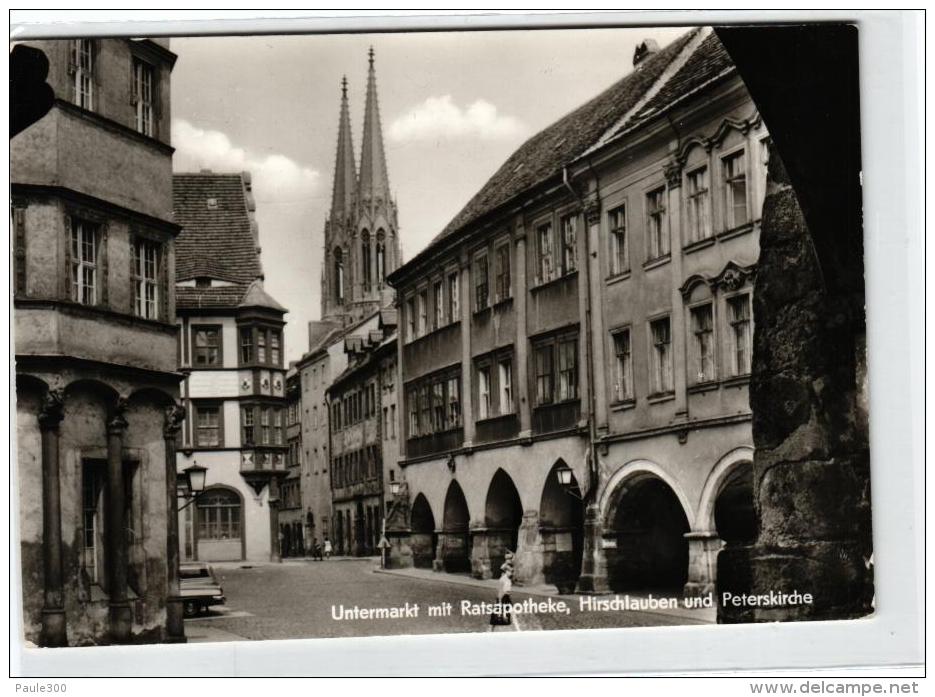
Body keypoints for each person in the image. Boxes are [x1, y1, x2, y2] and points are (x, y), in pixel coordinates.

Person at [490, 555, 514, 627]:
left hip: (506, 594)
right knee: (502, 607)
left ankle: (505, 620)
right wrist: (500, 598)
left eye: (512, 571)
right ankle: (501, 620)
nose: (511, 573)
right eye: (510, 571)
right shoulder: (503, 578)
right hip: (503, 594)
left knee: (506, 608)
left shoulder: (508, 577)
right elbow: (501, 590)